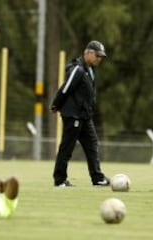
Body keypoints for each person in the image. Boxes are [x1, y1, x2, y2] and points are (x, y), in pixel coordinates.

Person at [50, 40, 110, 187]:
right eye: (97, 55)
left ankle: (97, 177)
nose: (99, 59)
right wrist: (56, 104)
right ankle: (60, 179)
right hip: (73, 115)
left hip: (84, 116)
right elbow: (66, 88)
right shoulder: (78, 69)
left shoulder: (90, 70)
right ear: (88, 53)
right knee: (67, 146)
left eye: (101, 57)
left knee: (92, 143)